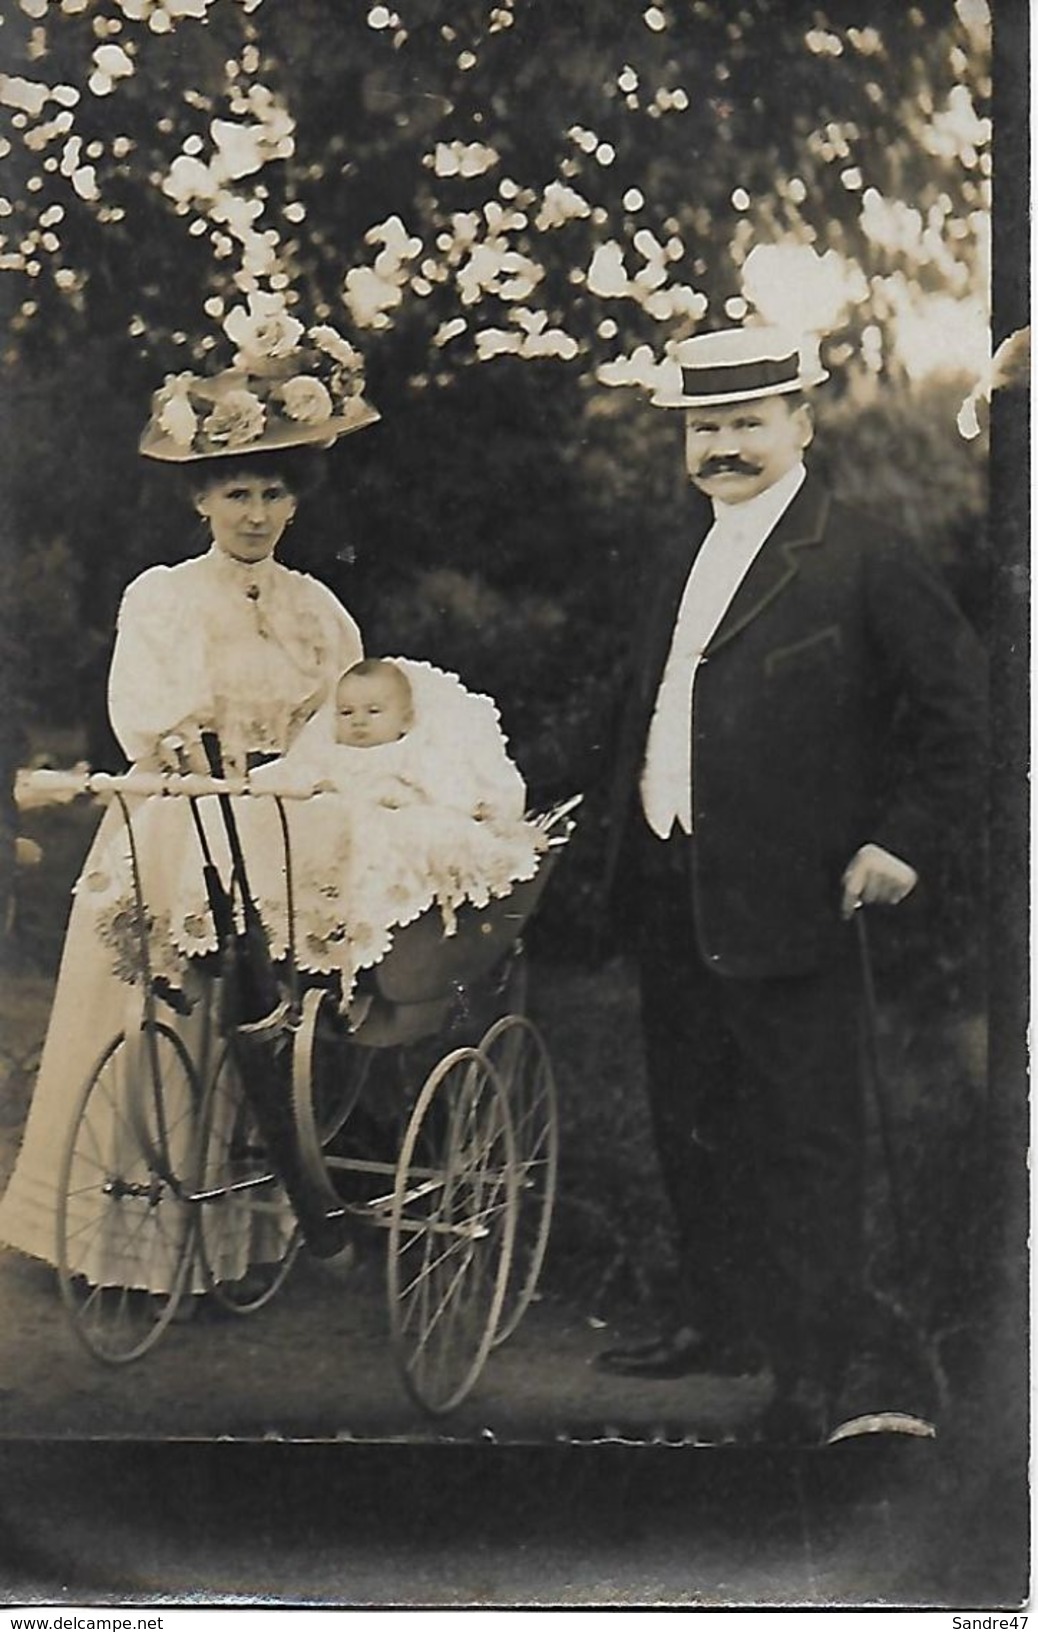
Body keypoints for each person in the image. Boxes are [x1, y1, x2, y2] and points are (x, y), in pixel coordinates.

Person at [593, 327, 987, 1444]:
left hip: (799, 890)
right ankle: (721, 1321)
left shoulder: (860, 553)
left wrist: (902, 842)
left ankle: (813, 1367)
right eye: (703, 426)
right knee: (695, 1114)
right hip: (672, 874)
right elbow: (648, 706)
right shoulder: (673, 554)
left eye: (746, 421)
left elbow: (964, 717)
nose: (722, 445)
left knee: (802, 1129)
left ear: (802, 424)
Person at [0, 336, 378, 1288]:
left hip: (280, 821)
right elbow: (146, 713)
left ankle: (228, 1244)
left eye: (273, 494)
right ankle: (120, 1246)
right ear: (200, 500)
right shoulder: (163, 597)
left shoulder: (322, 609)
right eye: (237, 494)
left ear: (297, 501)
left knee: (253, 1029)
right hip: (182, 815)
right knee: (157, 1011)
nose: (256, 515)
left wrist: (310, 770)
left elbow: (340, 719)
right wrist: (190, 747)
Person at [243, 655, 544, 999]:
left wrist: (460, 804)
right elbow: (289, 776)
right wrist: (265, 786)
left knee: (411, 829)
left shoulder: (410, 756)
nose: (358, 721)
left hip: (383, 844)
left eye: (373, 712)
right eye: (346, 713)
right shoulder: (326, 756)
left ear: (405, 720)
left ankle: (370, 946)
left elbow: (446, 792)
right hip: (330, 849)